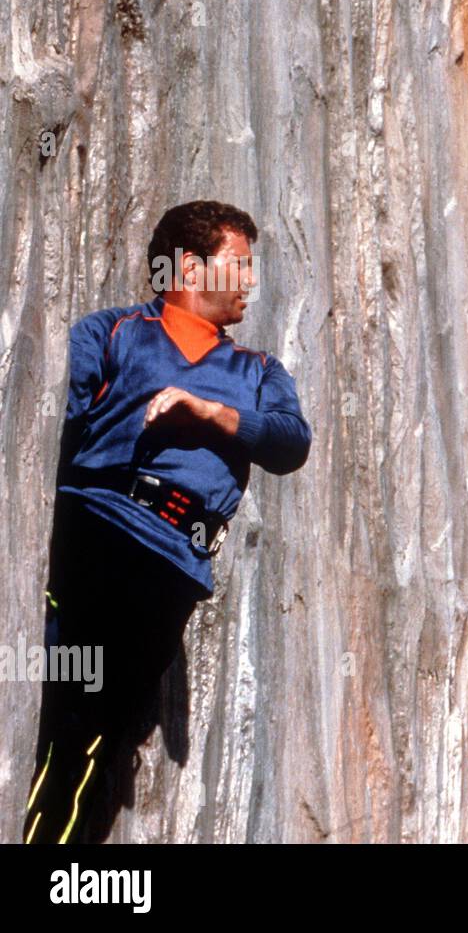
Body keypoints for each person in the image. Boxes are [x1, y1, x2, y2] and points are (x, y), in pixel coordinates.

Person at [23, 200, 312, 844]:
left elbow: (292, 443)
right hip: (95, 536)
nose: (249, 282)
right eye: (238, 265)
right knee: (60, 705)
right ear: (189, 265)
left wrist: (209, 415)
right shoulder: (113, 332)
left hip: (174, 565)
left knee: (102, 732)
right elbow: (50, 416)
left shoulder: (259, 371)